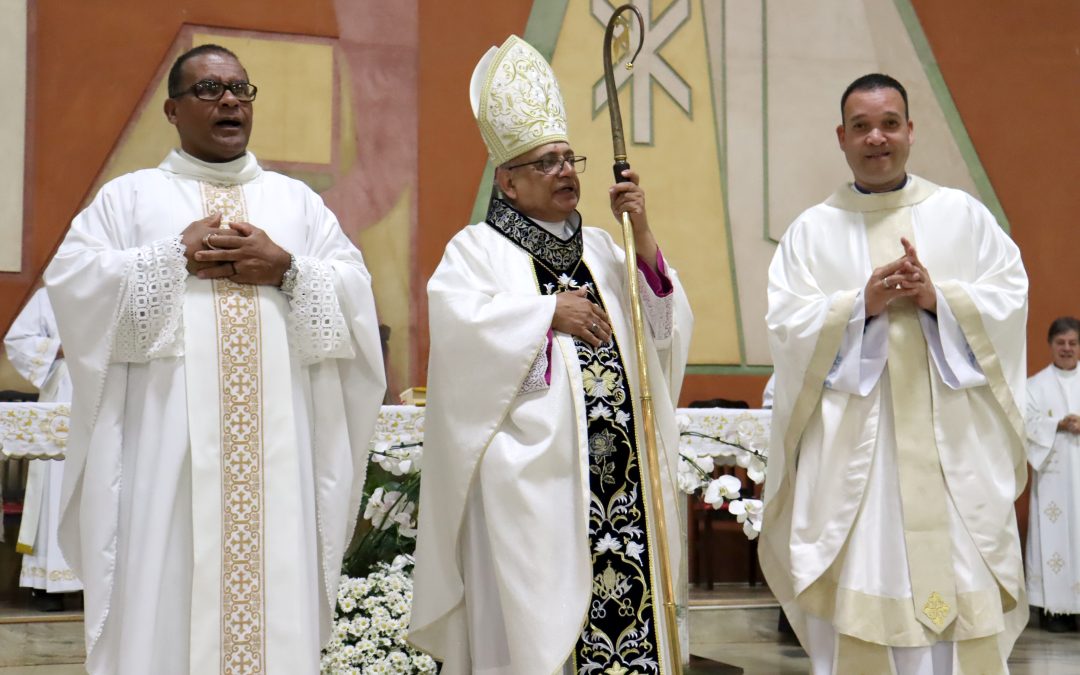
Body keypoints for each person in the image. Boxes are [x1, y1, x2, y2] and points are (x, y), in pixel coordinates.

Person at [44, 44, 386, 675]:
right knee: (166, 595)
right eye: (208, 89)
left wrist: (286, 269)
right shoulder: (131, 199)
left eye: (240, 90)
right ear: (172, 110)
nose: (229, 100)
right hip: (165, 457)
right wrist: (168, 256)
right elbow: (72, 287)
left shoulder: (297, 203)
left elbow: (355, 295)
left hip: (277, 463)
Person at [409, 35, 693, 675]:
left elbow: (662, 331)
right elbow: (461, 343)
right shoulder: (475, 252)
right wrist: (545, 314)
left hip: (624, 485)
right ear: (507, 182)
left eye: (570, 159)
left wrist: (641, 232)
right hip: (533, 490)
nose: (567, 171)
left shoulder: (603, 246)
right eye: (546, 163)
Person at [761, 73, 1029, 674]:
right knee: (866, 578)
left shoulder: (963, 215)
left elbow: (1010, 300)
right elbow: (787, 327)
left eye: (888, 124)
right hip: (862, 461)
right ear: (841, 137)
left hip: (952, 450)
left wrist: (939, 298)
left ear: (911, 130)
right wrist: (860, 307)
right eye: (861, 126)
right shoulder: (811, 232)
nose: (876, 138)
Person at [4, 287, 82, 609]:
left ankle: (97, 584)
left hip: (110, 395)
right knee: (56, 487)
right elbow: (18, 340)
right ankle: (49, 584)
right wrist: (59, 349)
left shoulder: (118, 289)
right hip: (63, 395)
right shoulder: (50, 294)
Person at [1025, 316, 1080, 632]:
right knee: (1055, 537)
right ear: (1050, 345)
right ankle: (1054, 610)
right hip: (1054, 477)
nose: (1067, 348)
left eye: (1072, 342)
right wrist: (1057, 424)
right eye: (1060, 343)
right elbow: (1026, 425)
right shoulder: (1036, 385)